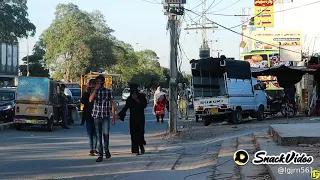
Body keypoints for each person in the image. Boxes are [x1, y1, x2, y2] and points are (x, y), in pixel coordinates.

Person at [89, 75, 116, 162]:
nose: (99, 84)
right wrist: (95, 90)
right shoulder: (93, 91)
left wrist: (114, 116)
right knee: (98, 136)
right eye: (97, 83)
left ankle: (106, 149)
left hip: (105, 116)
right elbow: (90, 100)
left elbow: (112, 103)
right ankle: (100, 155)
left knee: (106, 134)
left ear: (103, 83)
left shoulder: (108, 91)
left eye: (100, 83)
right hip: (96, 116)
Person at [118, 83, 148, 155]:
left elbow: (144, 105)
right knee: (134, 134)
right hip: (133, 118)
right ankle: (136, 149)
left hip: (140, 117)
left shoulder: (141, 96)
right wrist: (120, 115)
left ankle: (141, 146)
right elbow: (126, 108)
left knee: (141, 133)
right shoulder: (129, 99)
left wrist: (136, 99)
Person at [81, 79, 98, 156]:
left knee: (95, 133)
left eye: (93, 84)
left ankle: (95, 148)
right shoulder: (86, 93)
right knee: (89, 132)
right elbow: (83, 101)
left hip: (97, 114)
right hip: (88, 114)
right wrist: (86, 92)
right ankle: (91, 148)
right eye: (90, 85)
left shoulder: (98, 92)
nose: (92, 86)